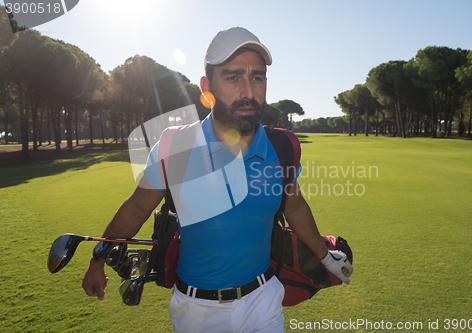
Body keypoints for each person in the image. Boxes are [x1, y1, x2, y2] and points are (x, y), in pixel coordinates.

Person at [82, 27, 353, 333]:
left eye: (258, 77)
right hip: (196, 312)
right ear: (207, 86)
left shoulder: (282, 147)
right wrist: (97, 261)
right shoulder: (175, 147)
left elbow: (294, 206)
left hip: (263, 301)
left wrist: (325, 256)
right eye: (233, 77)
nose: (249, 91)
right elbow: (136, 209)